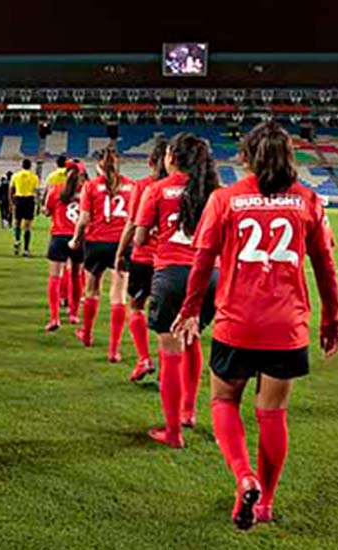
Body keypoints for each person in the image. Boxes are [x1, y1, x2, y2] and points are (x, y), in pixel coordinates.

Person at [171, 121, 338, 530]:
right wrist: (332, 318)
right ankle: (264, 503)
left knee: (224, 402)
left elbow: (201, 261)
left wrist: (191, 309)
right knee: (273, 413)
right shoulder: (309, 201)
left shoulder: (223, 199)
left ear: (245, 157)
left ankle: (243, 477)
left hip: (237, 324)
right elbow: (326, 267)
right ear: (290, 158)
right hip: (287, 328)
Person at [134, 132, 220, 449]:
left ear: (172, 156)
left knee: (169, 351)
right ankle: (189, 411)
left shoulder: (157, 190)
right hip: (211, 276)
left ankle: (172, 432)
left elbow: (140, 239)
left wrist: (159, 230)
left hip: (171, 274)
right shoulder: (215, 192)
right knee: (193, 337)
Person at [69, 147, 133, 361]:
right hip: (121, 244)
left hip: (96, 243)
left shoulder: (91, 186)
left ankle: (86, 334)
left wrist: (76, 239)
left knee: (92, 290)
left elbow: (84, 218)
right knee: (118, 295)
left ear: (98, 165)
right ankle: (113, 350)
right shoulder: (131, 186)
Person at [116, 136, 170, 382]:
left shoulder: (144, 187)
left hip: (144, 258)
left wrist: (120, 253)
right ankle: (168, 372)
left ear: (151, 161)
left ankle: (144, 359)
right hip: (172, 262)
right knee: (168, 320)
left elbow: (132, 225)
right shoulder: (187, 186)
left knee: (136, 306)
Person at [43, 160, 87, 332]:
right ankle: (73, 314)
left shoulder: (55, 190)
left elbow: (46, 211)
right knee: (76, 276)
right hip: (78, 238)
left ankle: (54, 318)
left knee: (55, 278)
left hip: (58, 237)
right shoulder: (85, 191)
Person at [10, 159, 39, 256]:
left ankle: (17, 240)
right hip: (29, 200)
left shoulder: (15, 176)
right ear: (30, 166)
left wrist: (11, 203)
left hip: (18, 199)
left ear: (22, 165)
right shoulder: (34, 177)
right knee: (27, 226)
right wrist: (38, 204)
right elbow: (36, 191)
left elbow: (11, 190)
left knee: (17, 223)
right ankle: (26, 249)